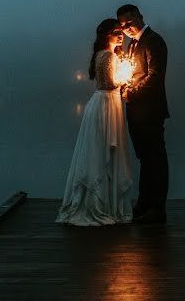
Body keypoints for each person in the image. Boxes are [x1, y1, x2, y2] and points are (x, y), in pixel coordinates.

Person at [56, 19, 134, 226]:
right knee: (103, 152)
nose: (120, 35)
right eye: (115, 32)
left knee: (98, 150)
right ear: (105, 35)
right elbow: (110, 83)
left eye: (121, 32)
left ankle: (100, 200)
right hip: (107, 103)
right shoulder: (109, 55)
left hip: (103, 102)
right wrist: (128, 76)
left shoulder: (103, 54)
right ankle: (101, 204)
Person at [117, 4, 169, 224]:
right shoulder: (131, 44)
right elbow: (129, 73)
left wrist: (131, 93)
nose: (127, 28)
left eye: (129, 22)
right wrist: (122, 87)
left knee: (155, 158)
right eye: (122, 25)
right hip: (135, 111)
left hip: (150, 110)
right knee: (144, 158)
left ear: (140, 16)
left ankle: (158, 209)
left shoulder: (154, 40)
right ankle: (143, 204)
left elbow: (155, 77)